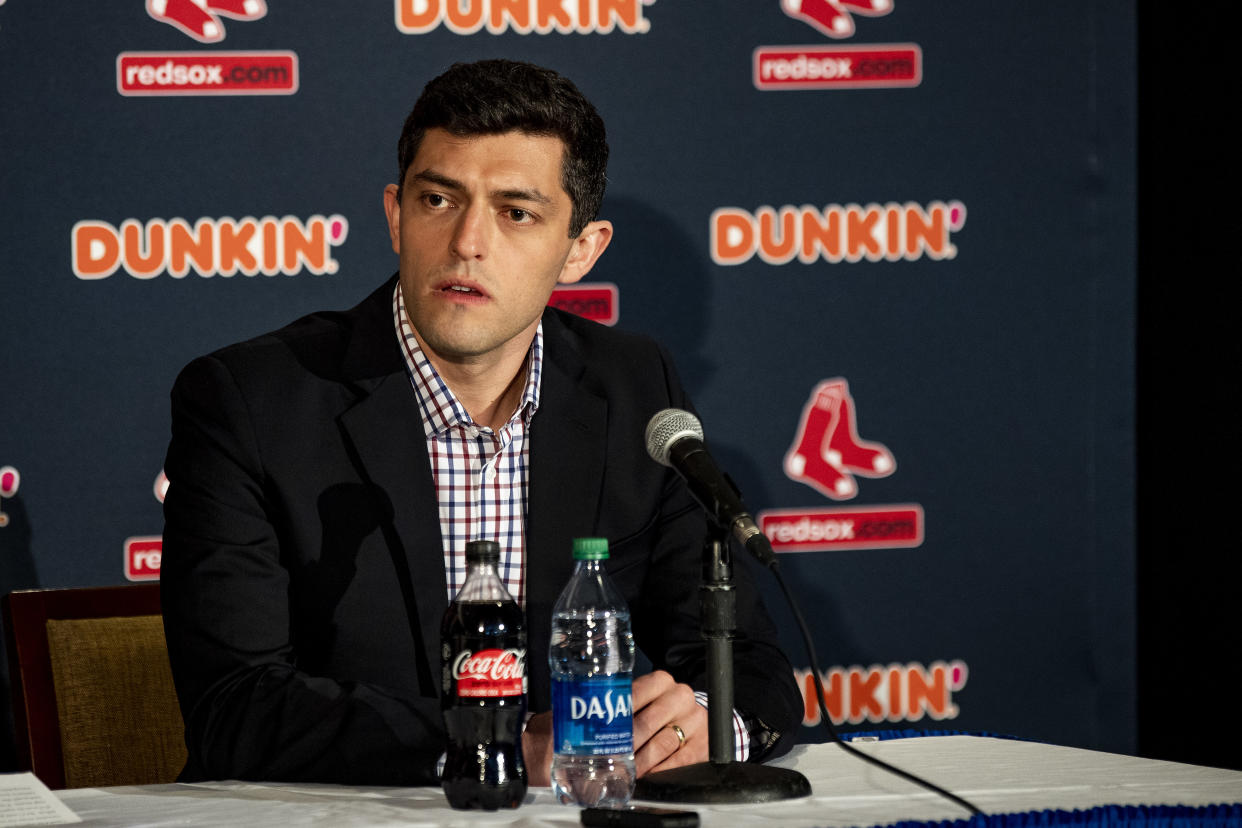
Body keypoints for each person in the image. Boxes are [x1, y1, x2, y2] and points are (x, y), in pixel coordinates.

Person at [161, 58, 802, 786]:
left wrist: (709, 728)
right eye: (438, 199)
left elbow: (746, 661)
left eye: (516, 212)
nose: (468, 241)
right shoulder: (251, 401)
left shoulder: (630, 388)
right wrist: (495, 749)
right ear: (396, 215)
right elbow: (233, 708)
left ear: (581, 250)